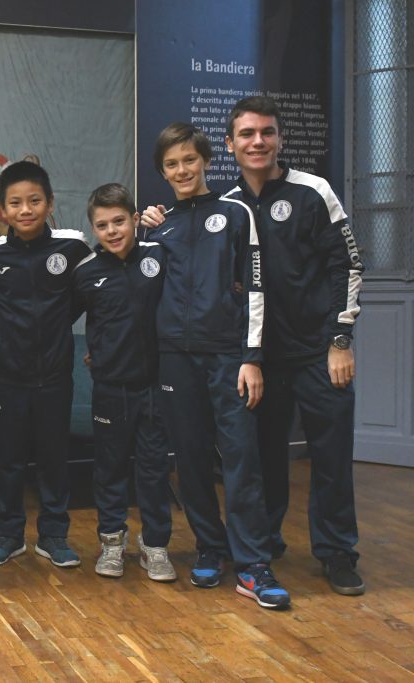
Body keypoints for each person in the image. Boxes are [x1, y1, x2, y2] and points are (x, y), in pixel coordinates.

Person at [144, 97, 365, 595]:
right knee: (260, 460)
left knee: (330, 457)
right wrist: (152, 222)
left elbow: (348, 264)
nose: (257, 141)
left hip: (316, 350)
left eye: (266, 132)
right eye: (246, 134)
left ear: (279, 138)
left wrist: (340, 338)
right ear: (230, 144)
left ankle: (336, 552)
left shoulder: (313, 191)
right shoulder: (227, 204)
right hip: (256, 357)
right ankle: (261, 545)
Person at [148, 122, 290, 609]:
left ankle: (253, 564)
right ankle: (210, 547)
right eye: (171, 164)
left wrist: (251, 357)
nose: (182, 170)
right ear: (162, 172)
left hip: (229, 357)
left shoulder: (235, 213)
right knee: (189, 460)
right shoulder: (159, 226)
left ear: (206, 160)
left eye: (189, 160)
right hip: (175, 358)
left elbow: (256, 288)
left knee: (240, 459)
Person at [0, 161, 91, 567]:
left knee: (53, 459)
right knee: (8, 460)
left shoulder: (72, 247)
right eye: (16, 203)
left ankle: (54, 536)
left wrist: (58, 326)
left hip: (56, 375)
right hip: (8, 376)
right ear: (2, 208)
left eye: (34, 201)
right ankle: (8, 535)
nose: (25, 210)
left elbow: (91, 294)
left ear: (50, 203)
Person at [70, 183, 175, 582]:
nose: (112, 231)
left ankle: (155, 546)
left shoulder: (158, 256)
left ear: (134, 219)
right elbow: (57, 316)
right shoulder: (86, 272)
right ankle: (112, 542)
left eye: (119, 222)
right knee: (110, 468)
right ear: (93, 229)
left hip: (155, 386)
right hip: (111, 387)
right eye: (102, 225)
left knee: (153, 470)